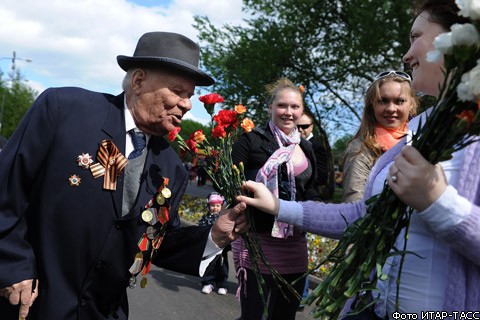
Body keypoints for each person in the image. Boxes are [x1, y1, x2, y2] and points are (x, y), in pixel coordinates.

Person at [238, 0, 479, 318]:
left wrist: (438, 202)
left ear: (458, 36)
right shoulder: (419, 130)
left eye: (415, 36)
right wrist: (278, 207)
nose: (406, 55)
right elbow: (360, 216)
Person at [0, 31, 248, 320]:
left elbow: (157, 242)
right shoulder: (64, 110)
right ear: (139, 81)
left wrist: (215, 236)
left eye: (190, 96)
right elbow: (8, 190)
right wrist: (11, 264)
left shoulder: (170, 167)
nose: (188, 104)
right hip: (31, 306)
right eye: (178, 91)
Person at [231, 78, 321, 320]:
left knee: (284, 315)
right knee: (252, 315)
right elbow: (231, 185)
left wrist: (315, 208)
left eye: (295, 107)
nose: (289, 113)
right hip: (256, 240)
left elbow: (311, 188)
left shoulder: (306, 147)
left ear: (302, 111)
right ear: (270, 107)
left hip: (294, 243)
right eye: (282, 106)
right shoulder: (250, 140)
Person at [342, 71, 419, 202]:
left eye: (399, 101)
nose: (391, 108)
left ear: (411, 104)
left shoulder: (422, 139)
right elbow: (354, 201)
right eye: (383, 101)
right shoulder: (360, 148)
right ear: (372, 105)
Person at [198, 192, 230, 295]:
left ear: (222, 206)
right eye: (212, 205)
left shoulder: (224, 218)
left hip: (222, 246)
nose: (215, 208)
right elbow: (201, 229)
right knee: (209, 265)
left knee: (222, 266)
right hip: (210, 247)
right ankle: (208, 283)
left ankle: (222, 284)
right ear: (208, 206)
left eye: (217, 206)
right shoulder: (205, 218)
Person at [297, 113, 334, 201]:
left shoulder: (317, 147)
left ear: (311, 127)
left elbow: (321, 177)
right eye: (297, 126)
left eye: (304, 126)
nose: (300, 129)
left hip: (307, 197)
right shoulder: (290, 145)